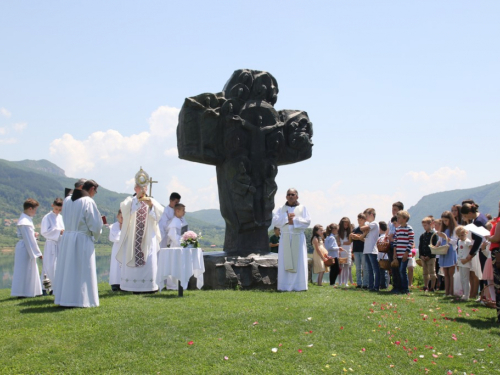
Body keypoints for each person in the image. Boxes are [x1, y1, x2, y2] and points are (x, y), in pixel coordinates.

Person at [54, 180, 103, 307]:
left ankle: (65, 298)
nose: (94, 194)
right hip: (82, 238)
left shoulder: (67, 200)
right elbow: (95, 224)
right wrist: (96, 234)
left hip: (68, 237)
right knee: (82, 269)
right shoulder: (88, 201)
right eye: (95, 192)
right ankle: (83, 299)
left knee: (68, 269)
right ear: (92, 188)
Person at [116, 168, 164, 293]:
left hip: (147, 237)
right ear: (134, 188)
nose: (142, 190)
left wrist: (151, 206)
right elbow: (126, 215)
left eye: (144, 187)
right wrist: (137, 201)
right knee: (132, 257)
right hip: (133, 238)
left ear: (147, 188)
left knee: (149, 259)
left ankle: (149, 286)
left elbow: (158, 216)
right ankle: (131, 286)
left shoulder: (152, 201)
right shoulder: (129, 202)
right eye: (139, 187)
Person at [271, 188, 311, 292]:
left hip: (298, 236)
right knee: (285, 261)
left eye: (293, 194)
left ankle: (299, 286)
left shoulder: (303, 208)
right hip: (285, 237)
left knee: (298, 261)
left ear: (297, 196)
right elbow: (275, 221)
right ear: (286, 196)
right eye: (288, 194)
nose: (290, 196)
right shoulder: (281, 208)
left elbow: (307, 222)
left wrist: (295, 220)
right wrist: (286, 219)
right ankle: (284, 286)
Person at [11, 198, 43, 298]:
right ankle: (22, 292)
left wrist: (34, 234)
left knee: (27, 269)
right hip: (25, 248)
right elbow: (29, 240)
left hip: (25, 247)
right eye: (35, 210)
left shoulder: (25, 219)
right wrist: (39, 253)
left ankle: (27, 291)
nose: (35, 212)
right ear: (30, 208)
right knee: (24, 269)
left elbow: (29, 236)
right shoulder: (25, 222)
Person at [461, 201, 489, 299]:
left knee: (483, 272)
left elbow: (478, 239)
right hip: (483, 248)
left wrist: (471, 253)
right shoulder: (480, 217)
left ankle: (485, 295)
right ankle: (483, 295)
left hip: (483, 248)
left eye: (465, 215)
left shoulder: (478, 221)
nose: (465, 218)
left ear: (469, 213)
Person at [40, 198, 64, 295]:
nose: (57, 211)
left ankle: (55, 287)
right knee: (49, 265)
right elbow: (44, 232)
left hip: (59, 244)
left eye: (59, 209)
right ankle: (44, 288)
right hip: (51, 244)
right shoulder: (47, 217)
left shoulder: (60, 217)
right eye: (56, 209)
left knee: (58, 266)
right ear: (52, 206)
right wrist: (59, 232)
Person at [436, 211, 458, 298]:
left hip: (451, 251)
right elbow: (440, 240)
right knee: (445, 274)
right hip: (443, 251)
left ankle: (451, 292)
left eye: (446, 220)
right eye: (443, 221)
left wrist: (446, 238)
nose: (445, 222)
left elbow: (454, 242)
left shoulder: (454, 229)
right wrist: (436, 245)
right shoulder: (443, 229)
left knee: (451, 273)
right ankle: (447, 291)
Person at [393, 210, 414, 295]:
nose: (397, 219)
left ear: (405, 219)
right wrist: (395, 253)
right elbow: (395, 242)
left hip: (405, 254)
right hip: (398, 253)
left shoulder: (409, 228)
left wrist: (406, 253)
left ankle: (405, 288)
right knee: (399, 270)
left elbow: (411, 241)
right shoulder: (397, 229)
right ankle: (401, 287)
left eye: (399, 218)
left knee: (402, 270)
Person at [360, 208, 380, 292]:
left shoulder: (374, 223)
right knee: (369, 270)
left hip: (372, 250)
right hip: (367, 250)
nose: (366, 218)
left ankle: (376, 286)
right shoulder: (370, 226)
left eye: (367, 216)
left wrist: (362, 223)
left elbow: (361, 228)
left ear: (372, 214)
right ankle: (371, 286)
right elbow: (362, 235)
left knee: (375, 270)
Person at [388, 202, 404, 293]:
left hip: (398, 247)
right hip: (391, 246)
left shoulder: (401, 222)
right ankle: (395, 286)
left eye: (395, 209)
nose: (393, 211)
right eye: (392, 209)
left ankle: (401, 286)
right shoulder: (391, 222)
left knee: (399, 268)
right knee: (393, 267)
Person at [419, 217, 437, 292]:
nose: (424, 227)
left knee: (432, 272)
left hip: (431, 257)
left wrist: (429, 256)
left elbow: (434, 246)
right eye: (423, 226)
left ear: (430, 224)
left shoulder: (434, 235)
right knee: (425, 272)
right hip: (423, 256)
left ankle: (432, 287)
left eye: (425, 225)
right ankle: (425, 286)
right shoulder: (422, 236)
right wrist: (421, 255)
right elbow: (420, 246)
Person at [350, 213, 367, 288]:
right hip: (356, 250)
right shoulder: (355, 229)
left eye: (361, 220)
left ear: (364, 220)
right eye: (359, 220)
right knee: (358, 268)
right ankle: (359, 283)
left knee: (364, 267)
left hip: (364, 250)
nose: (360, 221)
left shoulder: (366, 229)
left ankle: (365, 283)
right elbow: (352, 238)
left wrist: (357, 237)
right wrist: (358, 237)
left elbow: (366, 240)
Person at [456, 226, 473, 300]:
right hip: (460, 262)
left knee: (466, 279)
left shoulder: (468, 241)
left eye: (462, 235)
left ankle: (467, 295)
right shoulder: (459, 241)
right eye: (459, 236)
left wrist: (467, 259)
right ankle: (464, 294)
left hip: (466, 262)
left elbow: (471, 251)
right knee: (462, 278)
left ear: (466, 233)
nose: (460, 237)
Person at [109, 209, 123, 292]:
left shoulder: (129, 225)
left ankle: (124, 283)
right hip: (117, 248)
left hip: (125, 248)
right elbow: (114, 238)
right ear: (117, 216)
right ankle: (115, 283)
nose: (122, 218)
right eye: (121, 216)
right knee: (115, 265)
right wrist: (121, 230)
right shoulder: (114, 226)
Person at [338, 217, 353, 287]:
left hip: (347, 250)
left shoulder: (350, 232)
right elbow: (338, 242)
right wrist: (342, 243)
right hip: (341, 250)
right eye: (345, 224)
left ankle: (346, 282)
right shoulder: (339, 232)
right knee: (340, 266)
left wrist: (342, 243)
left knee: (347, 266)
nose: (346, 226)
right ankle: (340, 282)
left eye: (347, 225)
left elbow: (349, 242)